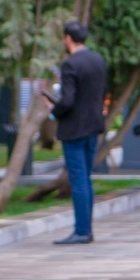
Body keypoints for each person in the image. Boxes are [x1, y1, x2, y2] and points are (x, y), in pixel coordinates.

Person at [48, 20, 109, 246]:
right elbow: (101, 91)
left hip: (74, 128)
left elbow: (68, 100)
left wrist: (54, 111)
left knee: (78, 179)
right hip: (93, 125)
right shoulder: (98, 60)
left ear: (67, 38)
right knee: (86, 178)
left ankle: (82, 231)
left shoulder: (70, 64)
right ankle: (86, 228)